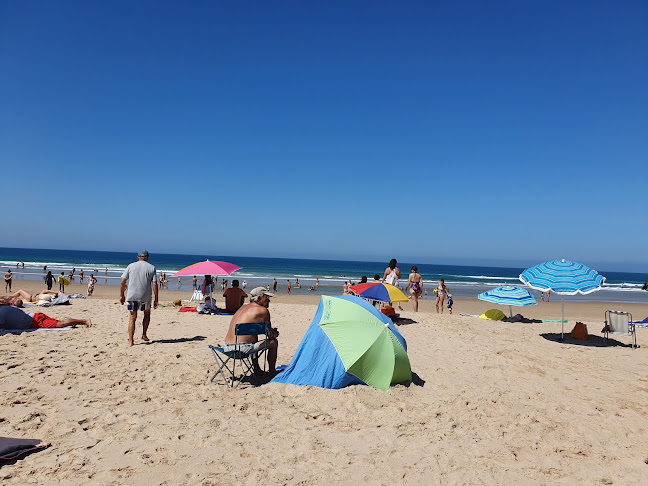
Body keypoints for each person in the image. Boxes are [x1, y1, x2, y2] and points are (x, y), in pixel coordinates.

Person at [224, 287, 278, 377]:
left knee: (253, 339)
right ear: (259, 298)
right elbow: (269, 335)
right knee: (273, 342)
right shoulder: (263, 310)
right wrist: (275, 333)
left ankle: (257, 370)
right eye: (266, 298)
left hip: (227, 347)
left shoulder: (242, 307)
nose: (269, 301)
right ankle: (272, 372)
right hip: (243, 349)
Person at [120, 250, 158, 347]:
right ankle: (144, 334)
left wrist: (122, 295)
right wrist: (156, 299)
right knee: (147, 314)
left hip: (132, 295)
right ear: (147, 257)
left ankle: (131, 341)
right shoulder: (152, 267)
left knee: (132, 318)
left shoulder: (131, 266)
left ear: (138, 258)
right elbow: (155, 284)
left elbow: (123, 282)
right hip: (145, 296)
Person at [0, 305, 91, 329]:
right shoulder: (5, 308)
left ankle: (83, 320)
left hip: (35, 321)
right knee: (60, 322)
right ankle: (78, 321)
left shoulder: (1, 312)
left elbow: (2, 328)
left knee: (61, 324)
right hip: (35, 315)